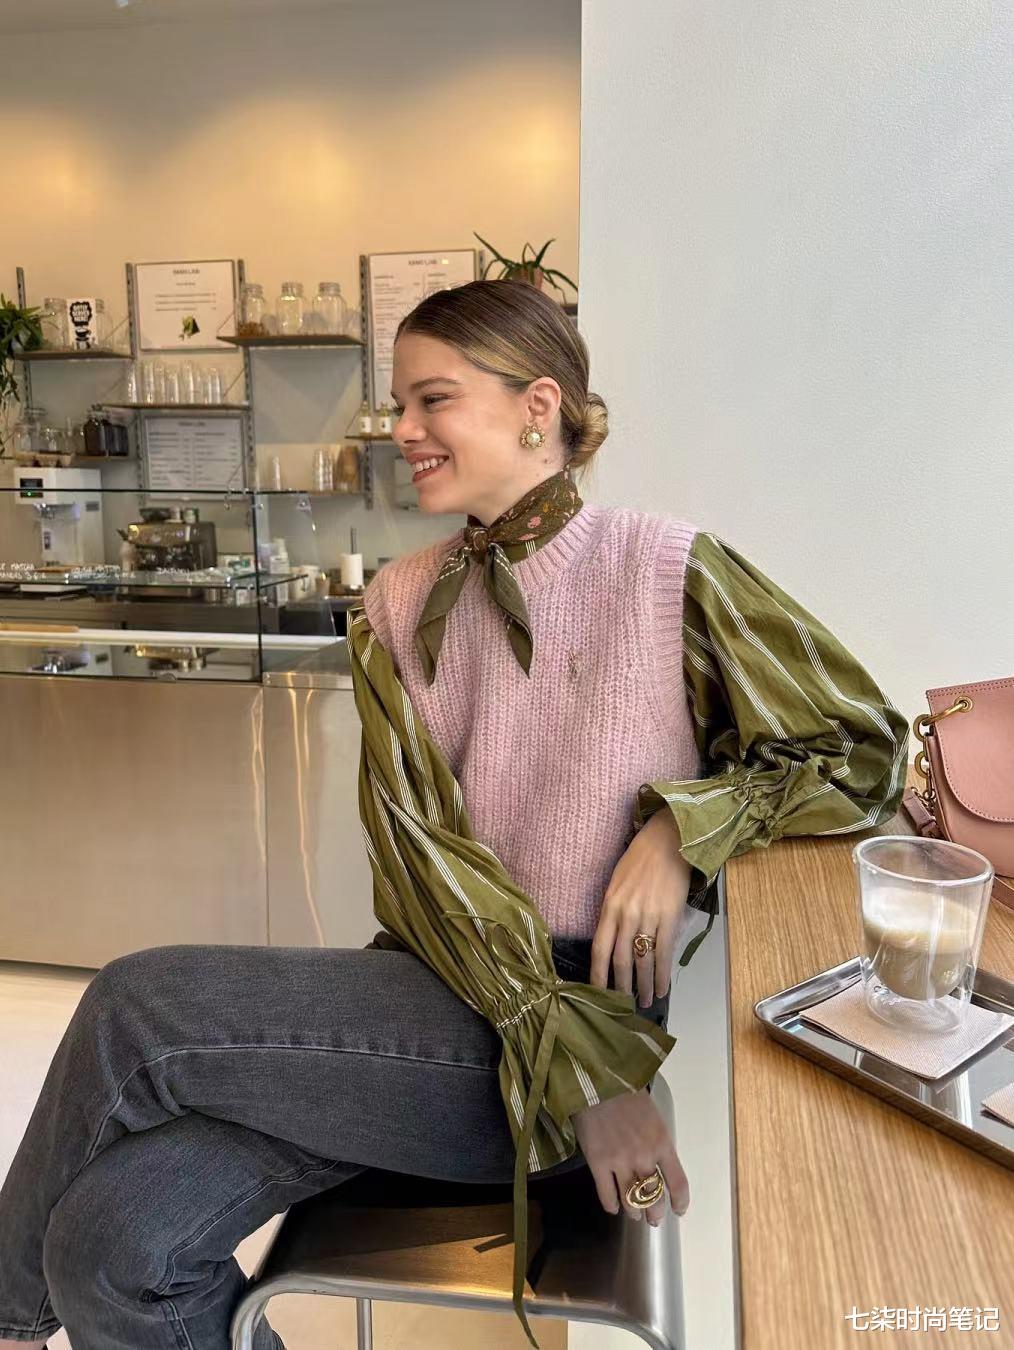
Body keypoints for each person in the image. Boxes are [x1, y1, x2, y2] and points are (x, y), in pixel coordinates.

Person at [0, 280, 908, 1350]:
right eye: (401, 404)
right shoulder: (398, 604)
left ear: (537, 406)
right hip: (431, 998)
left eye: (433, 400)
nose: (403, 429)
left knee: (134, 1002)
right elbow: (424, 867)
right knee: (110, 1246)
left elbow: (861, 748)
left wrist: (681, 829)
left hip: (552, 1049)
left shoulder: (664, 568)